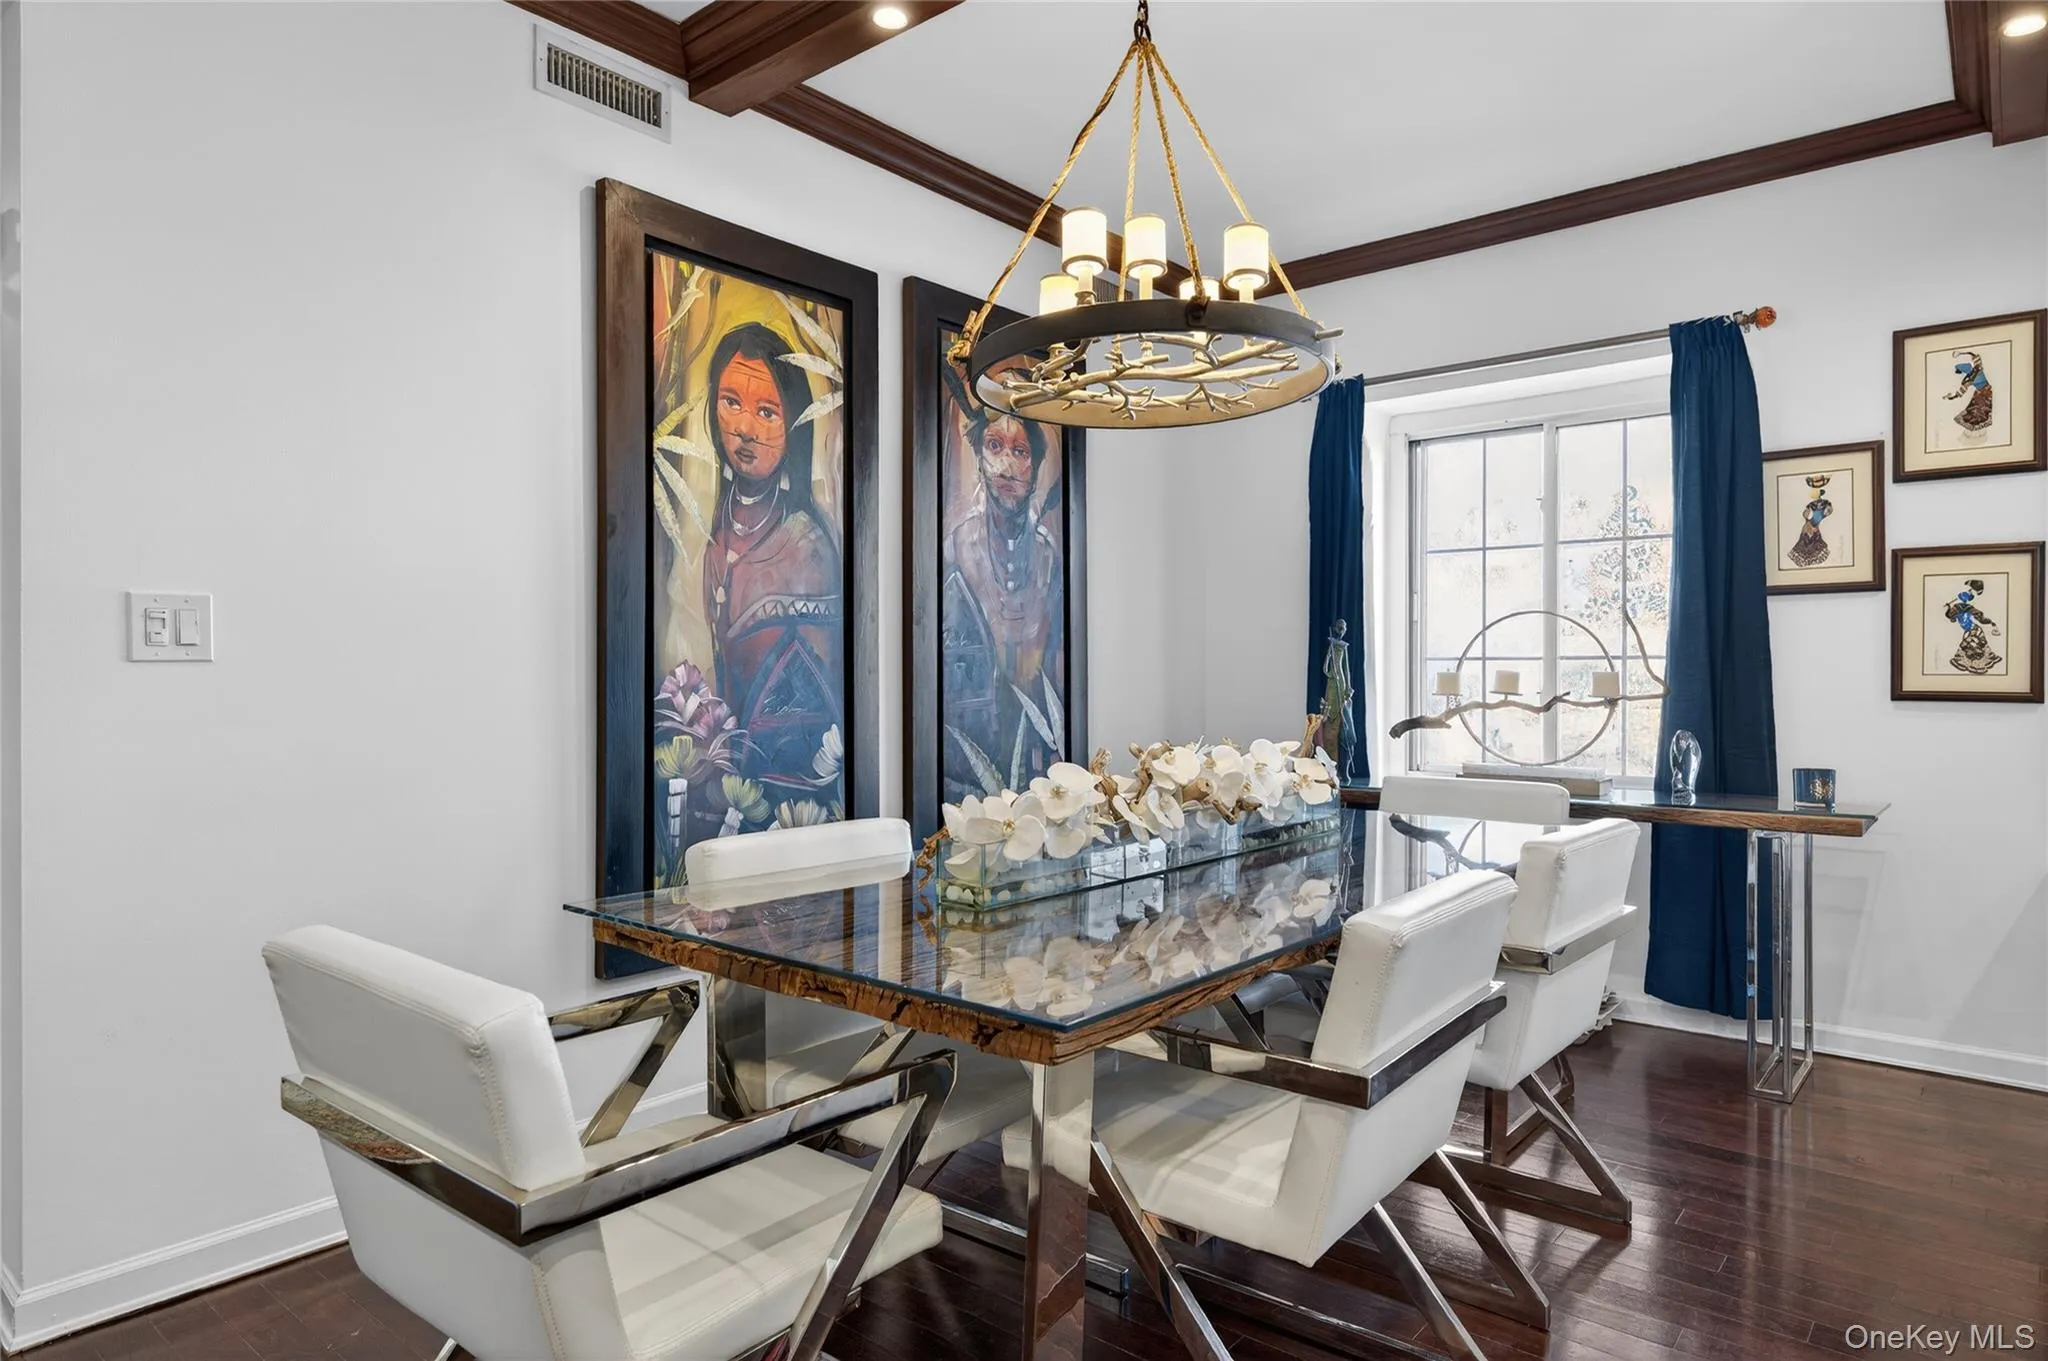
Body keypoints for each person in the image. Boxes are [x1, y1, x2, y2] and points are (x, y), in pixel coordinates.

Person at [700, 322, 842, 797]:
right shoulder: (718, 531)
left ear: (795, 422)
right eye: (731, 402)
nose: (745, 429)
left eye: (767, 412)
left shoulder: (806, 546)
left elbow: (823, 713)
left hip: (789, 795)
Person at [941, 383, 1064, 799]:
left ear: (1036, 465)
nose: (1007, 467)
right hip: (962, 763)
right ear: (978, 458)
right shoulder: (955, 549)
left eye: (1020, 451)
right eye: (995, 447)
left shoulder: (1048, 557)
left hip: (1034, 762)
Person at [1320, 618, 1356, 782]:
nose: (1341, 631)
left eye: (1343, 628)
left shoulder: (1343, 646)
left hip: (1341, 683)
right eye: (1339, 628)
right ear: (1335, 628)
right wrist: (1329, 674)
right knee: (1330, 725)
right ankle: (1330, 770)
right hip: (1332, 684)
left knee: (1345, 725)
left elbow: (1346, 669)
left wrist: (1348, 686)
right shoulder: (1332, 644)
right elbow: (1325, 664)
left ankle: (1344, 771)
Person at [1943, 579, 2002, 676]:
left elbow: (1981, 619)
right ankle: (1974, 668)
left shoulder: (1963, 607)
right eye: (1968, 591)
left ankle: (1976, 668)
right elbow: (1951, 618)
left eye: (1969, 591)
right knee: (1970, 651)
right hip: (1970, 631)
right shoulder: (1958, 607)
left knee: (1974, 651)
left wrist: (1992, 623)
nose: (1968, 592)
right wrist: (1948, 608)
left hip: (1974, 631)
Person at [1945, 350, 1995, 439]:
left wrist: (1961, 353)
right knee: (1974, 412)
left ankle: (1979, 433)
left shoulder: (1978, 367)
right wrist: (1950, 397)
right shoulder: (1969, 380)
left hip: (1986, 392)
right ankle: (1974, 434)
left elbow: (1972, 354)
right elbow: (1960, 392)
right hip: (1980, 393)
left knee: (1981, 412)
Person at [1789, 473, 1832, 568]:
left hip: (1815, 524)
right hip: (1811, 524)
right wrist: (1808, 520)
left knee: (1814, 541)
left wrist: (1825, 515)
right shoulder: (1811, 504)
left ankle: (1810, 559)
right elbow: (1805, 513)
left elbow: (1829, 510)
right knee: (1806, 540)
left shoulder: (1825, 502)